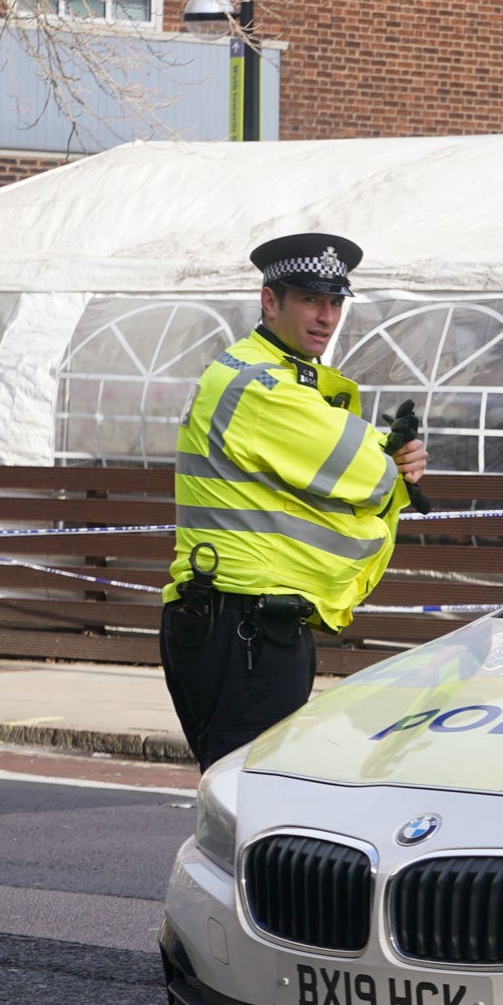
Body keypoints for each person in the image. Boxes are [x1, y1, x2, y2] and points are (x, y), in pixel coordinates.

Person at [159, 235, 426, 767]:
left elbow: (352, 458)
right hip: (245, 628)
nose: (326, 316)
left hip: (240, 622)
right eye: (309, 299)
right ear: (269, 301)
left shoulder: (270, 376)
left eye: (335, 303)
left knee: (246, 786)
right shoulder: (262, 387)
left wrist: (383, 454)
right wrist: (391, 457)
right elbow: (371, 477)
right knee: (253, 791)